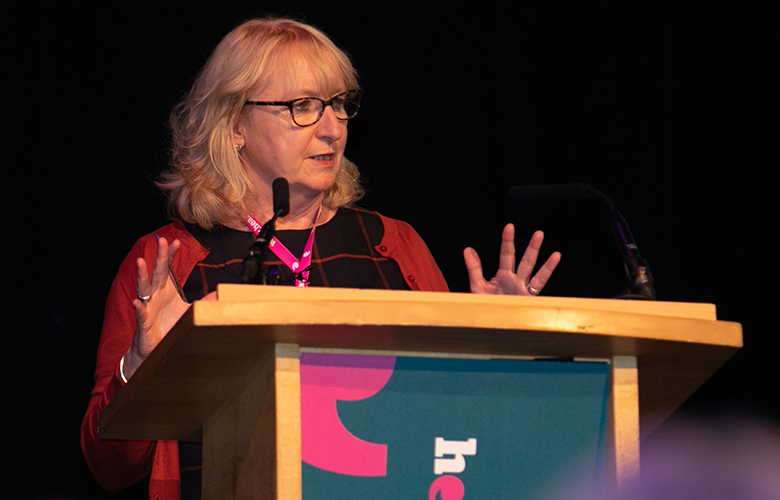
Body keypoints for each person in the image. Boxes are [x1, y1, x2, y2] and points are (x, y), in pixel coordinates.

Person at [80, 17, 561, 499]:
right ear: (234, 124)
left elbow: (457, 426)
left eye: (338, 105)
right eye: (302, 107)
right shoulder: (170, 261)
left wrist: (497, 347)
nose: (332, 129)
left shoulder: (393, 245)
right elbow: (109, 468)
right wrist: (142, 368)